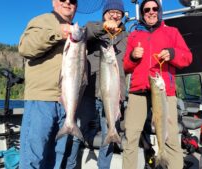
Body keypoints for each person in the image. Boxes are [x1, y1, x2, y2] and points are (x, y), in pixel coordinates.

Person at [122, 0, 193, 169]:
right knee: (131, 138)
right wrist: (132, 56)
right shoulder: (133, 36)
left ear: (159, 11)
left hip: (163, 92)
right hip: (138, 92)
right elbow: (124, 66)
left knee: (171, 140)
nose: (151, 12)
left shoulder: (172, 32)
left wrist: (173, 53)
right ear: (142, 13)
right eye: (147, 9)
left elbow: (188, 57)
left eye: (155, 8)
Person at [62, 0, 128, 168]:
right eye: (110, 12)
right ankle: (70, 166)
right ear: (104, 14)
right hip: (89, 94)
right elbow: (86, 31)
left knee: (109, 134)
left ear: (122, 15)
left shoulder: (127, 37)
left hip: (113, 95)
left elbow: (130, 64)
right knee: (77, 134)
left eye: (118, 13)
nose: (114, 15)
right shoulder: (92, 30)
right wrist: (104, 26)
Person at [18, 0, 78, 168]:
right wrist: (58, 32)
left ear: (76, 6)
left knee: (56, 161)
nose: (68, 2)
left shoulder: (76, 31)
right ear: (54, 2)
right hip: (41, 100)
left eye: (73, 0)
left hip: (67, 104)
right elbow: (25, 48)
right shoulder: (42, 20)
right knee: (32, 158)